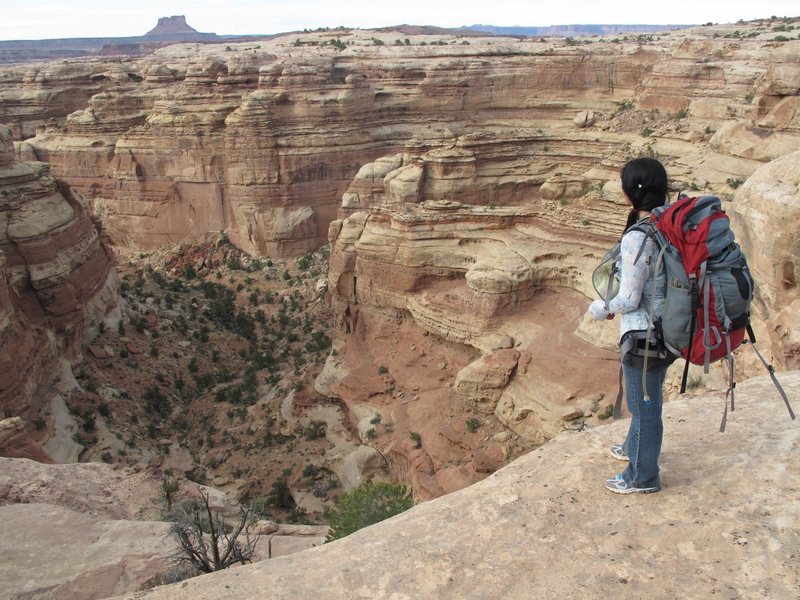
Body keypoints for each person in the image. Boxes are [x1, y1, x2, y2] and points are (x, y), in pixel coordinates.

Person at [588, 157, 674, 494]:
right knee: (647, 398)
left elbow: (629, 298)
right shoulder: (667, 223)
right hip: (667, 326)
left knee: (644, 406)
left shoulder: (638, 237)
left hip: (644, 335)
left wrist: (599, 308)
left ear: (630, 193)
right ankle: (632, 447)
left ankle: (643, 476)